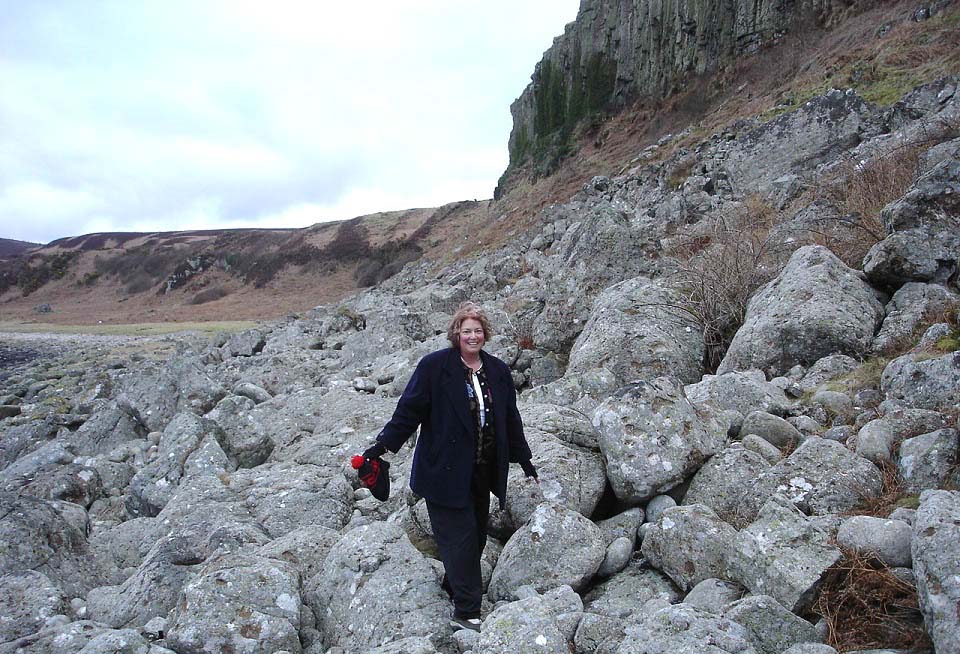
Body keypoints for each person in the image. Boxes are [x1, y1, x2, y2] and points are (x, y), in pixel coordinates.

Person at [360, 301, 538, 632]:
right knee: (459, 539)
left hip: (482, 471)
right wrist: (382, 447)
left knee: (477, 539)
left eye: (478, 330)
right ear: (455, 334)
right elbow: (408, 412)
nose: (473, 336)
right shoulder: (434, 367)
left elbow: (510, 418)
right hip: (443, 470)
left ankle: (454, 585)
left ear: (486, 334)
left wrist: (523, 457)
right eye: (466, 330)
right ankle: (466, 612)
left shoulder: (497, 371)